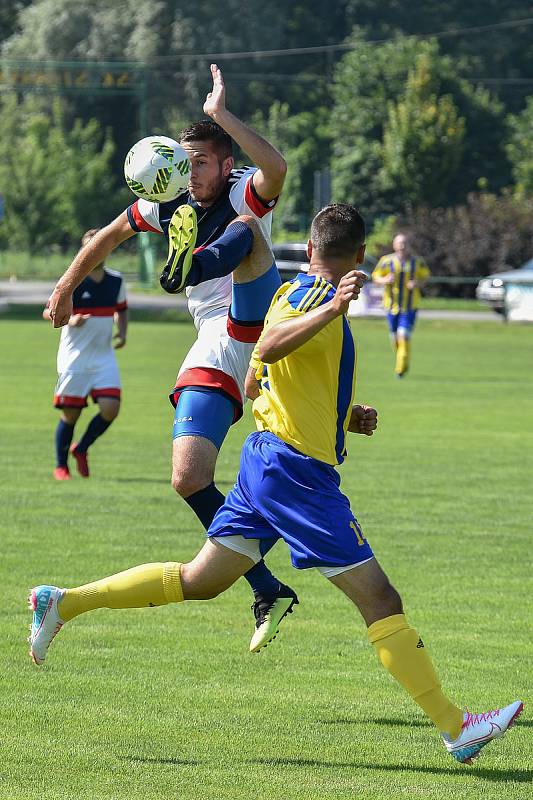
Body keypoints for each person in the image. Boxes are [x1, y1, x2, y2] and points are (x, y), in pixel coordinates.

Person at [29, 204, 522, 764]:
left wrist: (344, 416)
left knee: (200, 580)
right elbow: (265, 350)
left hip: (271, 462)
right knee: (381, 599)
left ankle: (62, 603)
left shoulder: (304, 293)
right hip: (294, 474)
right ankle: (458, 728)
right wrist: (334, 306)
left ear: (311, 248)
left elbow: (268, 378)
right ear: (360, 254)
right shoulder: (314, 296)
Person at [46, 64, 295, 650]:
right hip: (220, 335)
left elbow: (278, 169)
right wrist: (63, 287)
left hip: (250, 322)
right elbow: (106, 236)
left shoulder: (240, 189)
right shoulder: (171, 202)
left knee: (247, 228)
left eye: (200, 161)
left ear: (225, 163)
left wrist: (221, 116)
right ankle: (266, 583)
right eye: (184, 162)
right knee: (188, 478)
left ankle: (196, 263)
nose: (190, 172)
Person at [44, 229, 128, 480]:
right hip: (74, 358)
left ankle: (81, 448)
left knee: (110, 408)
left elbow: (122, 310)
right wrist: (71, 320)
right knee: (71, 414)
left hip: (104, 357)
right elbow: (48, 313)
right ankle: (61, 465)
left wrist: (122, 332)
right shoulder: (71, 281)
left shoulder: (116, 281)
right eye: (89, 246)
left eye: (99, 245)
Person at [372, 232, 430, 377]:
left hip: (410, 307)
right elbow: (375, 276)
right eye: (399, 243)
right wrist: (384, 280)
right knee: (394, 338)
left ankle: (401, 368)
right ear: (394, 245)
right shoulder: (386, 261)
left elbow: (425, 276)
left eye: (404, 243)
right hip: (391, 306)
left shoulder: (417, 262)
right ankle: (403, 360)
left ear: (409, 245)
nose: (402, 246)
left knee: (403, 335)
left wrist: (417, 283)